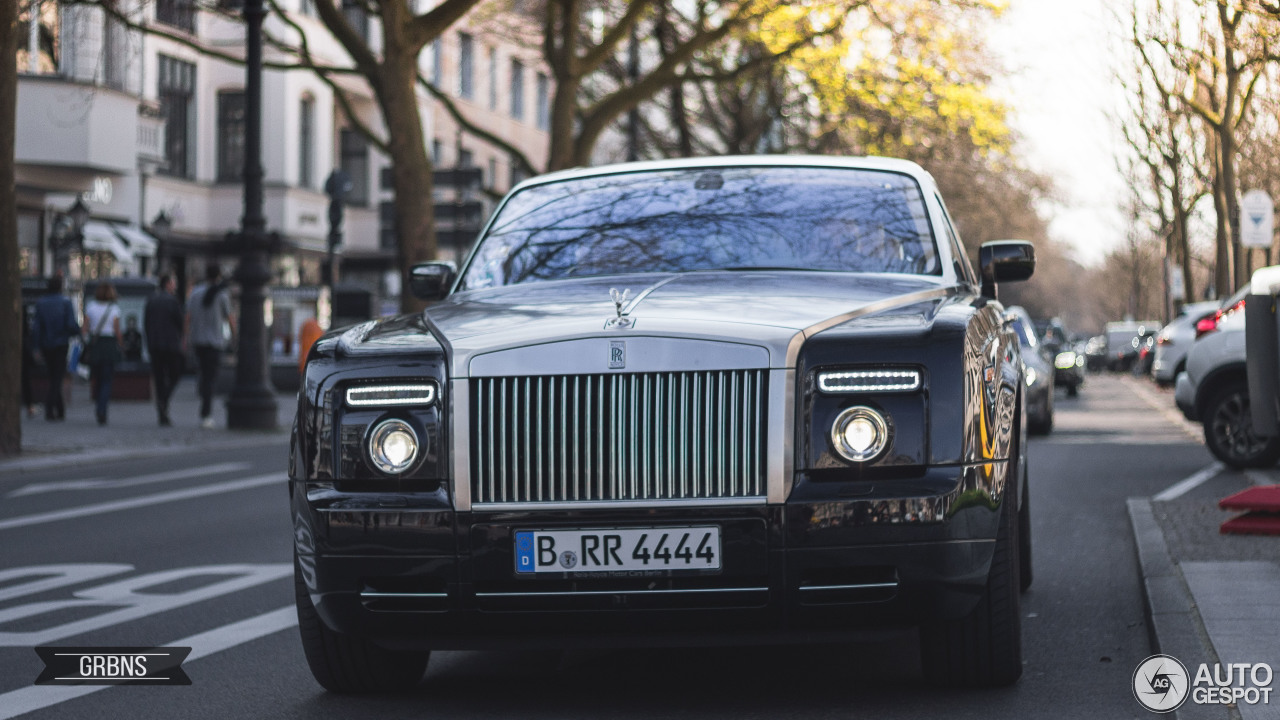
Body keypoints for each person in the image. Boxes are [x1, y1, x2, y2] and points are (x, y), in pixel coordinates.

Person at [187, 265, 235, 428]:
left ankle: (204, 403)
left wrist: (186, 338)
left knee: (203, 375)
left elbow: (188, 317)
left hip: (198, 341)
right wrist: (235, 337)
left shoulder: (195, 292)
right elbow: (230, 318)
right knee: (210, 378)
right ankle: (206, 413)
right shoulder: (222, 294)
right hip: (215, 342)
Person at [31, 275, 80, 421]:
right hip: (61, 344)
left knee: (54, 375)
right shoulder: (65, 303)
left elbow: (37, 328)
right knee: (57, 377)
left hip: (47, 344)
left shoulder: (41, 303)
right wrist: (76, 331)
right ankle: (51, 408)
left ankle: (59, 409)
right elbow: (71, 324)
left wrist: (36, 346)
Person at [144, 273, 185, 426]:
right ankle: (164, 401)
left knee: (159, 377)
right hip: (171, 344)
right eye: (173, 283)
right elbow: (180, 323)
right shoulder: (172, 301)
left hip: (155, 345)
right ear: (167, 284)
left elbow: (146, 323)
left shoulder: (151, 300)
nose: (174, 286)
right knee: (175, 373)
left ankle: (162, 408)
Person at [84, 281, 123, 426]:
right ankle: (102, 409)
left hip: (96, 345)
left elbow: (85, 328)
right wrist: (121, 344)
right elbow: (117, 330)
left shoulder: (91, 307)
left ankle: (98, 405)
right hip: (109, 344)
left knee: (98, 378)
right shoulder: (114, 309)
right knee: (107, 380)